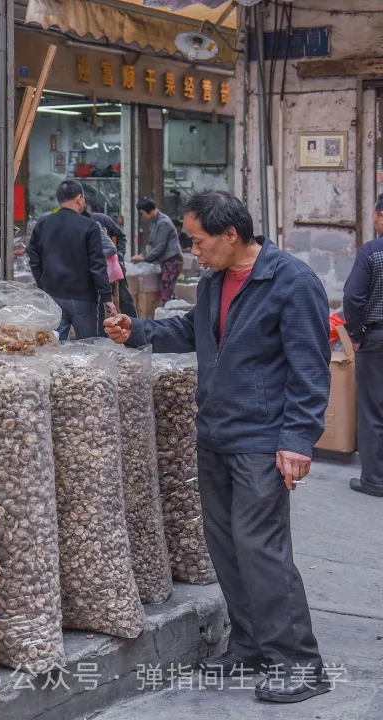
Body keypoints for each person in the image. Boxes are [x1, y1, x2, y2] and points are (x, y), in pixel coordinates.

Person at [105, 191, 332, 704]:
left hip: (261, 440)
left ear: (232, 236)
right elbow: (192, 330)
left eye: (199, 240)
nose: (194, 251)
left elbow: (310, 368)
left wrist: (297, 440)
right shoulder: (214, 281)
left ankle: (299, 661)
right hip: (216, 434)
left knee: (262, 551)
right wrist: (136, 330)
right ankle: (250, 645)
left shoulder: (291, 282)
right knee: (226, 548)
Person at [28, 180, 115, 340]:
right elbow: (97, 265)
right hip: (83, 298)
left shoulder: (42, 224)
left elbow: (34, 258)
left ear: (59, 200)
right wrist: (107, 296)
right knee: (86, 350)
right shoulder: (89, 226)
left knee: (53, 347)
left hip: (52, 296)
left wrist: (42, 284)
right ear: (80, 198)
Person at [343, 194, 383, 497]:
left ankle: (375, 480)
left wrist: (355, 334)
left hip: (377, 339)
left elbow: (354, 298)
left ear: (380, 217)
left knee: (373, 411)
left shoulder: (372, 253)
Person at [86, 206, 138, 317]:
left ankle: (134, 324)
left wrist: (119, 254)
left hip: (114, 265)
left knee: (123, 297)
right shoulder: (81, 224)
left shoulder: (102, 219)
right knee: (99, 301)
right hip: (96, 268)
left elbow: (121, 237)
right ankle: (102, 330)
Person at [132, 198, 183, 303]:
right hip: (165, 262)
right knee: (167, 291)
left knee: (166, 292)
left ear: (149, 211)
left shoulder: (163, 222)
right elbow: (152, 244)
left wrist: (145, 259)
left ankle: (168, 316)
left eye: (143, 213)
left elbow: (160, 246)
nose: (144, 217)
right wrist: (142, 255)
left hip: (172, 261)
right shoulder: (155, 222)